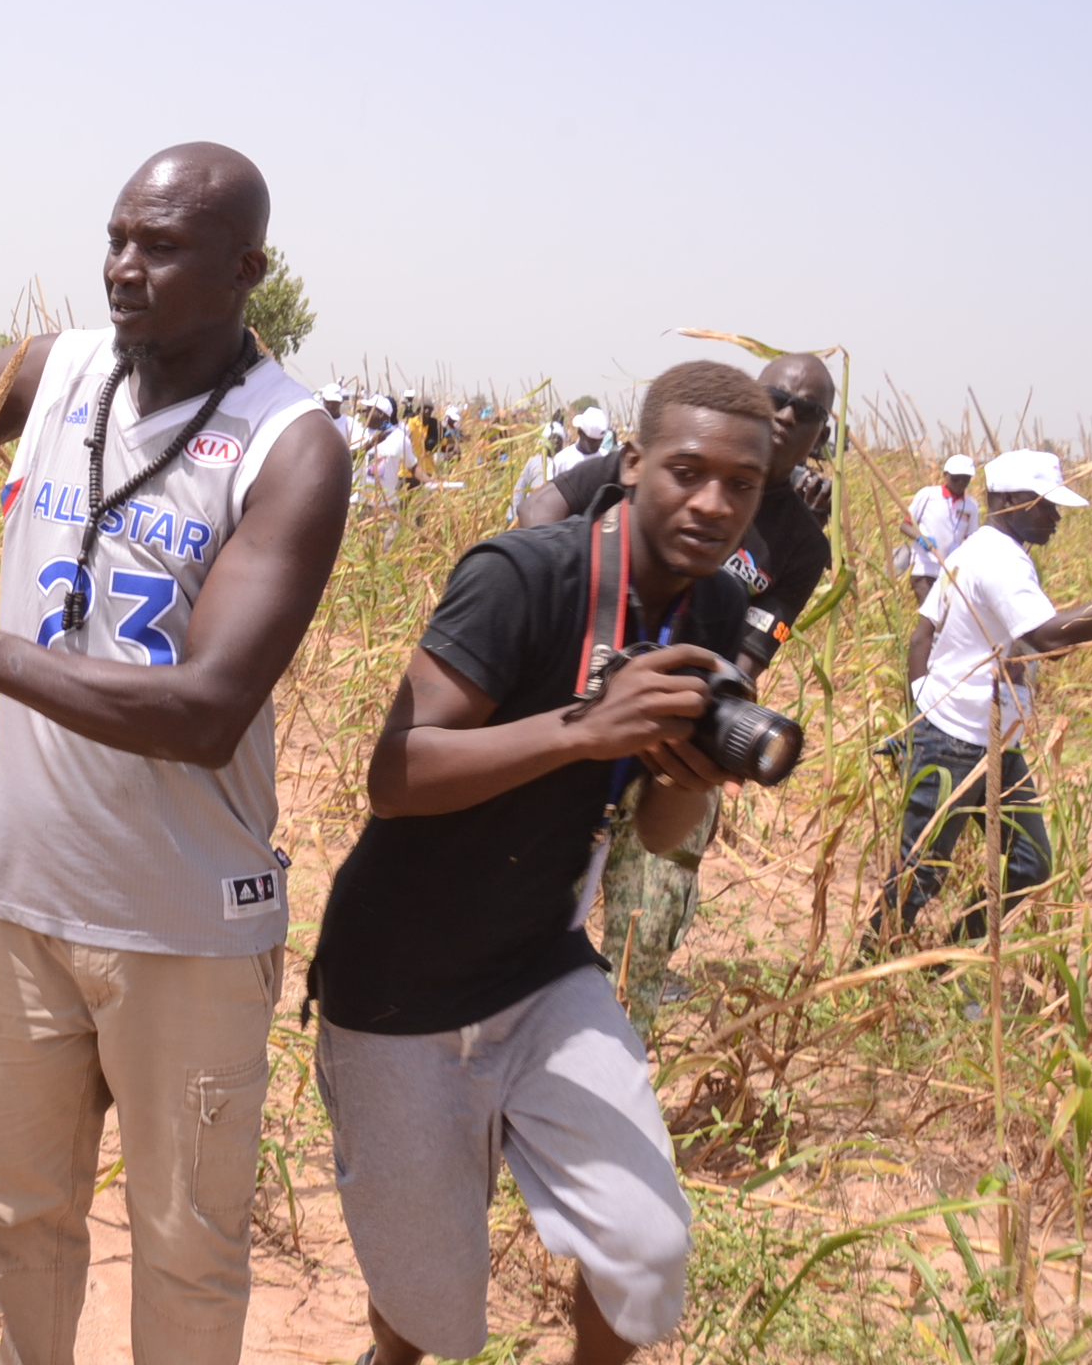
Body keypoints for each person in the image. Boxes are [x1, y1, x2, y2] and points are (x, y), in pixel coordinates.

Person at [0, 142, 351, 1365]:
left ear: (248, 268)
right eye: (116, 239)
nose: (124, 269)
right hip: (21, 905)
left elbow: (205, 709)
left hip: (183, 934)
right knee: (14, 1216)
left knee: (187, 1251)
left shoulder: (289, 446)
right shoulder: (57, 370)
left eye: (163, 248)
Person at [311, 361, 780, 1365]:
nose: (713, 503)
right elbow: (393, 772)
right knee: (425, 1310)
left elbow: (656, 832)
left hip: (538, 968)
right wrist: (581, 729)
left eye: (741, 484)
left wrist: (693, 771)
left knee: (644, 1253)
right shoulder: (525, 575)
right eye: (688, 472)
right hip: (399, 982)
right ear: (635, 461)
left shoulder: (702, 621)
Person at [520, 351, 836, 1037]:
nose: (786, 414)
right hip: (578, 709)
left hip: (680, 739)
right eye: (775, 396)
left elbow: (751, 652)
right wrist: (553, 597)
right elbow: (547, 503)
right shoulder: (672, 452)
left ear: (822, 431)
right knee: (535, 910)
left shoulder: (803, 543)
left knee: (648, 924)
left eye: (805, 410)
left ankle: (617, 1046)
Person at [869, 451, 1092, 950]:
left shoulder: (980, 547)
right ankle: (868, 969)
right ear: (1009, 501)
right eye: (1046, 506)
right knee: (919, 874)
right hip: (957, 744)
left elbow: (923, 635)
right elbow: (1052, 641)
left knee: (1028, 863)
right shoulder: (999, 560)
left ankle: (950, 959)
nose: (1055, 517)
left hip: (988, 741)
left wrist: (922, 704)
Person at [902, 453, 978, 604]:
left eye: (966, 479)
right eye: (956, 478)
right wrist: (921, 538)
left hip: (951, 571)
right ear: (945, 475)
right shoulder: (928, 495)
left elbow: (971, 539)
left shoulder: (971, 505)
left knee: (945, 619)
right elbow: (905, 525)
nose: (961, 483)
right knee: (930, 615)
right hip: (925, 567)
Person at [553, 405, 608, 474]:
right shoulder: (562, 460)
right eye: (592, 441)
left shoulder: (607, 459)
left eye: (600, 440)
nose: (597, 444)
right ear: (580, 432)